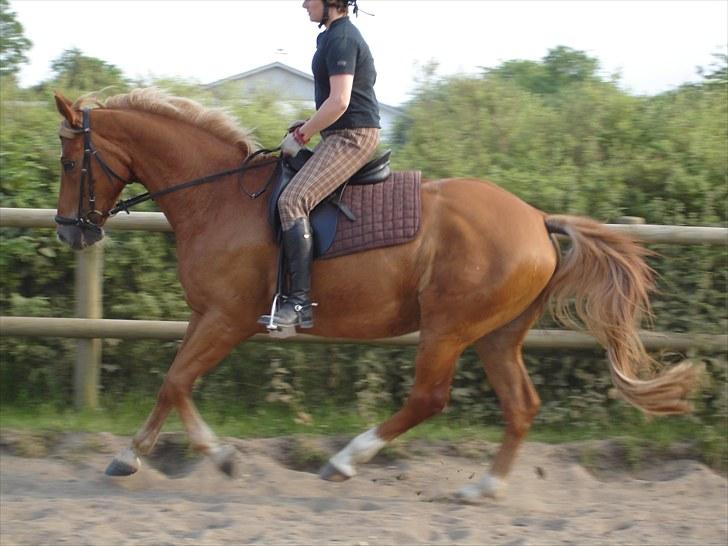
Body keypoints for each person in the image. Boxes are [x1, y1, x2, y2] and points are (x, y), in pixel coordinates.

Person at [263, 0, 381, 329]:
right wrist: (310, 124)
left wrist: (302, 135)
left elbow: (340, 101)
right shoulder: (332, 36)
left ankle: (299, 303)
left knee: (292, 200)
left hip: (351, 137)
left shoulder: (342, 38)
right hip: (338, 133)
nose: (303, 4)